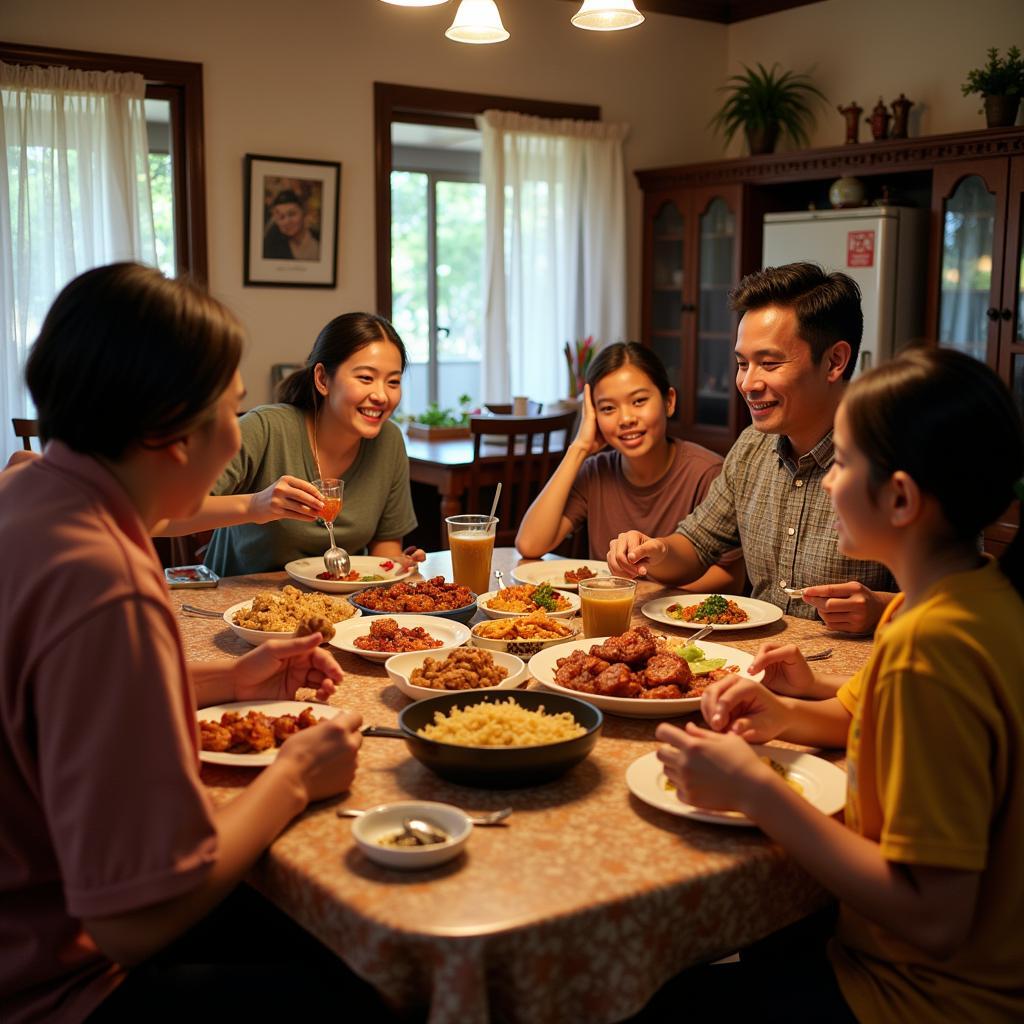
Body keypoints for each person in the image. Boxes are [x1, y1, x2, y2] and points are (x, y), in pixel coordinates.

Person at [0, 264, 367, 1021]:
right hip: (57, 985)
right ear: (169, 428)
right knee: (368, 978)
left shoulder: (28, 493)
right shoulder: (103, 584)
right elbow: (131, 923)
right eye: (232, 411)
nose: (239, 435)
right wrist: (295, 774)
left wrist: (231, 682)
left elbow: (59, 704)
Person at [653, 348, 1024, 1023]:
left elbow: (934, 916)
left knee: (653, 995)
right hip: (890, 958)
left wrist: (756, 790)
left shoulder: (929, 646)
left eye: (846, 463)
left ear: (902, 497)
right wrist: (785, 710)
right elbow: (860, 718)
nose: (827, 483)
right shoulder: (967, 597)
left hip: (918, 997)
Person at [607, 263, 896, 634]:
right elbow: (696, 546)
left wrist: (881, 608)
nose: (747, 383)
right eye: (742, 363)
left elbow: (964, 596)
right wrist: (657, 551)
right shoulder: (752, 446)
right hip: (758, 664)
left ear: (834, 361)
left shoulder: (898, 452)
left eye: (770, 363)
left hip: (857, 679)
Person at [158, 312, 425, 576]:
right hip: (237, 606)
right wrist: (255, 506)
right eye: (365, 378)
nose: (381, 395)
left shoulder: (389, 441)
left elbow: (385, 547)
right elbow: (162, 517)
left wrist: (395, 565)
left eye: (393, 382)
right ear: (322, 379)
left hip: (341, 610)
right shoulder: (264, 428)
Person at [515, 342, 744, 595]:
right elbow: (529, 544)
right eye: (608, 408)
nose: (626, 419)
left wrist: (640, 592)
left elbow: (729, 578)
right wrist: (579, 447)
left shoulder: (709, 472)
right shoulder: (595, 472)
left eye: (638, 401)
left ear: (669, 401)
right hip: (609, 619)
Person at [262, 188, 319, 261]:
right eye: (281, 217)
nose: (286, 222)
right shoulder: (272, 246)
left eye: (292, 214)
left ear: (304, 214)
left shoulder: (318, 243)